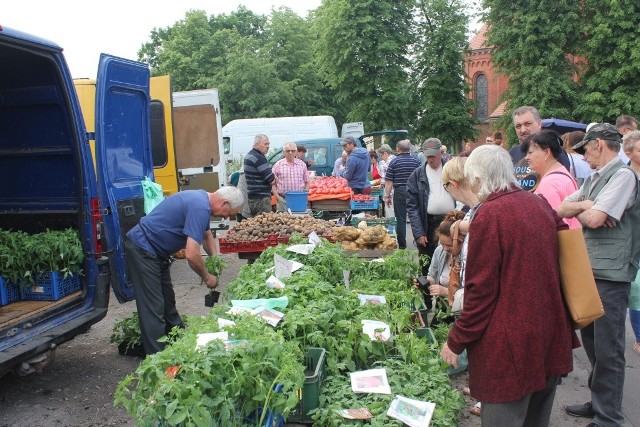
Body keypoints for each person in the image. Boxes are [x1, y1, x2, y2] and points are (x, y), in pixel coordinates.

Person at [440, 145, 575, 427]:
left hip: (511, 348)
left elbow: (481, 293)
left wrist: (456, 341)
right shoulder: (537, 203)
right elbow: (565, 242)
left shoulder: (490, 215)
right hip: (548, 334)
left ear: (477, 179)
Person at [558, 123, 639, 426]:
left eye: (585, 149)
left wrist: (587, 209)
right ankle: (598, 402)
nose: (583, 156)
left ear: (600, 144)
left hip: (612, 272)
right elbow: (563, 208)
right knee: (592, 342)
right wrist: (586, 206)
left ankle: (609, 417)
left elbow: (592, 218)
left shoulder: (623, 176)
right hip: (591, 268)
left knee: (609, 349)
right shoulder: (594, 177)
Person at [125, 187, 244, 355]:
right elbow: (191, 254)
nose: (226, 217)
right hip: (143, 248)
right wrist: (207, 277)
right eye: (229, 213)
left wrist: (214, 259)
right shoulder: (200, 207)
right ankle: (158, 359)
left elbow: (207, 235)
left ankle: (178, 342)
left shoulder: (203, 200)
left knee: (168, 300)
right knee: (153, 307)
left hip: (157, 252)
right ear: (224, 202)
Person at [407, 138, 455, 309]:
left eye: (433, 156)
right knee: (427, 266)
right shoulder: (418, 175)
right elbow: (412, 207)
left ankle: (446, 304)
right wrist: (419, 232)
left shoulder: (450, 170)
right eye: (427, 157)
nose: (431, 160)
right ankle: (426, 305)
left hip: (450, 222)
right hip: (428, 223)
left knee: (451, 262)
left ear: (441, 153)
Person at [522, 130, 581, 229]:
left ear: (546, 152)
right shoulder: (563, 174)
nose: (526, 158)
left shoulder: (549, 183)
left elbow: (552, 224)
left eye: (530, 152)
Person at [420, 210, 465, 327]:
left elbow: (470, 296)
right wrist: (425, 282)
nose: (445, 248)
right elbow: (432, 275)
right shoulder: (439, 251)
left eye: (449, 245)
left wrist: (445, 292)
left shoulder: (467, 259)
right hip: (443, 310)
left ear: (461, 242)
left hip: (462, 314)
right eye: (442, 243)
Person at [510, 105, 571, 172]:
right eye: (518, 126)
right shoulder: (512, 153)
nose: (523, 130)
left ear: (539, 124)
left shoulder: (554, 152)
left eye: (527, 124)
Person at [384, 140, 420, 249]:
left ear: (398, 149)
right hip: (414, 191)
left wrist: (387, 196)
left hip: (400, 191)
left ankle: (402, 246)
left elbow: (389, 181)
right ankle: (419, 241)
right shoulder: (416, 161)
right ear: (409, 149)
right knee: (416, 217)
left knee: (400, 219)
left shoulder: (394, 162)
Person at [623, 130, 640, 357]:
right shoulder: (625, 177)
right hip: (632, 241)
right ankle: (639, 337)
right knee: (637, 290)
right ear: (628, 153)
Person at [244, 134, 276, 217]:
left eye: (268, 144)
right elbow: (271, 179)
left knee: (257, 224)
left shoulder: (249, 155)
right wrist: (274, 178)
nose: (268, 146)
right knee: (265, 225)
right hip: (261, 199)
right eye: (265, 144)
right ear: (257, 145)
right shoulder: (259, 158)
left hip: (252, 197)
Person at [272, 141, 309, 212]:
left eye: (293, 151)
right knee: (282, 221)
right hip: (283, 199)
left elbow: (307, 181)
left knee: (299, 220)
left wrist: (305, 194)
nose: (290, 153)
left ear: (296, 152)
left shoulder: (302, 165)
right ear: (283, 152)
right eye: (288, 151)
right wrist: (278, 198)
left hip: (299, 199)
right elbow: (273, 184)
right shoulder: (277, 165)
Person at [377, 144, 396, 218]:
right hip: (395, 190)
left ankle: (392, 228)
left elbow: (386, 180)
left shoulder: (387, 162)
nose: (380, 157)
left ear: (385, 153)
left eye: (381, 155)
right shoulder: (395, 159)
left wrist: (386, 196)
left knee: (390, 211)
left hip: (390, 190)